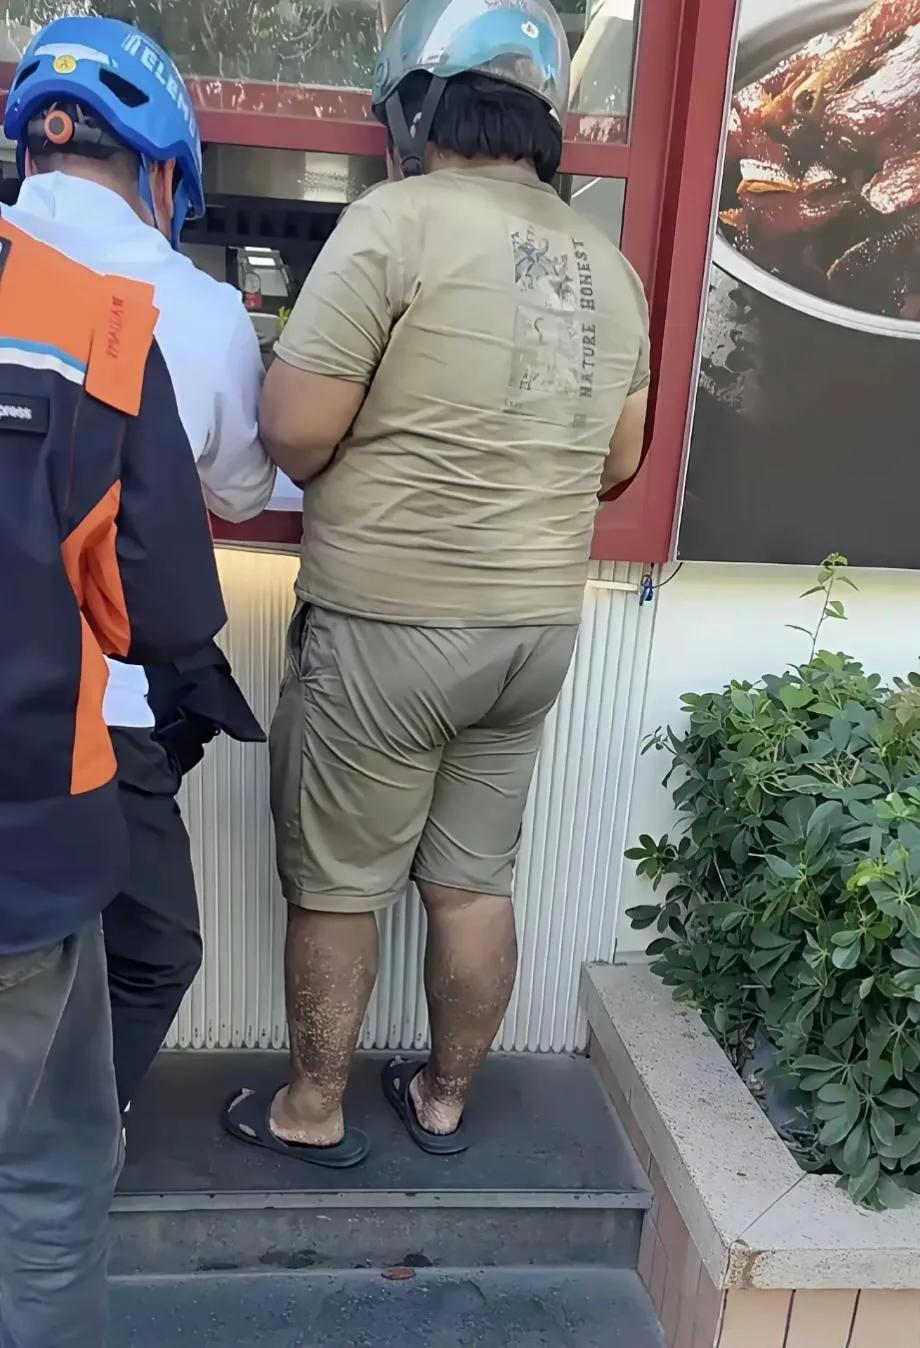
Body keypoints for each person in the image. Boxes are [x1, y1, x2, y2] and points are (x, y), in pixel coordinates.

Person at [224, 0, 649, 1166]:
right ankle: (444, 1099)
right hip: (532, 632)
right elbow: (617, 462)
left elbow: (294, 430)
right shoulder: (609, 269)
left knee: (339, 882)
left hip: (389, 626)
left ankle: (312, 1108)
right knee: (471, 883)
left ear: (416, 108)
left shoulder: (392, 224)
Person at [3, 16, 275, 1116]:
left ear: (34, 148)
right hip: (82, 712)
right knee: (152, 949)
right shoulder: (186, 311)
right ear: (164, 174)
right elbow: (240, 494)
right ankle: (69, 1145)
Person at [0, 80, 229, 1348]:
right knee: (47, 1174)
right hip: (27, 839)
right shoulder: (94, 317)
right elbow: (164, 608)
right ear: (163, 173)